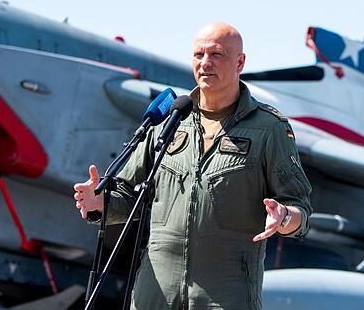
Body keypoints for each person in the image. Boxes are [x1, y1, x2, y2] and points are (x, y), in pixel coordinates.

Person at [73, 23, 312, 309]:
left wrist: (284, 217)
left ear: (240, 62)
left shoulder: (269, 128)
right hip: (156, 289)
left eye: (217, 54)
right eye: (199, 54)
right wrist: (100, 201)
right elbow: (129, 196)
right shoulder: (169, 120)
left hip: (226, 291)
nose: (205, 63)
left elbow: (300, 209)